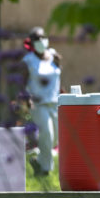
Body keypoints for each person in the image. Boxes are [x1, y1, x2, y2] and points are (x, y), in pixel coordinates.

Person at [22, 26, 62, 176]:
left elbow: (57, 76)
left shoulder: (53, 55)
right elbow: (22, 82)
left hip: (55, 102)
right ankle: (45, 170)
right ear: (31, 42)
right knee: (47, 134)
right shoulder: (28, 60)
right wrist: (26, 98)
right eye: (36, 38)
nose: (40, 41)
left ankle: (38, 161)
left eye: (42, 37)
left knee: (55, 138)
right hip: (38, 104)